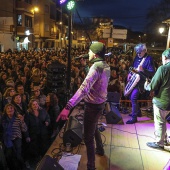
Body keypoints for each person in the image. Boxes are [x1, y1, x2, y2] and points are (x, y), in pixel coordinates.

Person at [57, 42, 110, 170]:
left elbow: (83, 89)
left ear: (95, 54)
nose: (88, 53)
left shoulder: (95, 67)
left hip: (92, 106)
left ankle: (91, 166)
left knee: (87, 137)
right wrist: (86, 65)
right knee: (93, 127)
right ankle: (101, 149)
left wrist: (68, 107)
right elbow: (94, 80)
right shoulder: (105, 65)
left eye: (90, 51)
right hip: (100, 103)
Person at [144, 48, 170, 150]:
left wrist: (147, 85)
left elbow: (152, 86)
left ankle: (160, 143)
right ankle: (164, 139)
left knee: (160, 121)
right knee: (163, 121)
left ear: (164, 57)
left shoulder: (163, 69)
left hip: (162, 101)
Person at [126, 43, 155, 124]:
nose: (138, 54)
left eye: (140, 52)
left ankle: (134, 117)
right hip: (134, 80)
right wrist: (129, 73)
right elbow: (132, 67)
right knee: (130, 96)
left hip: (141, 82)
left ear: (145, 51)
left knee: (133, 97)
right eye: (137, 52)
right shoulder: (136, 57)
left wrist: (143, 70)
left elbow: (152, 73)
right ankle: (138, 112)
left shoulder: (149, 59)